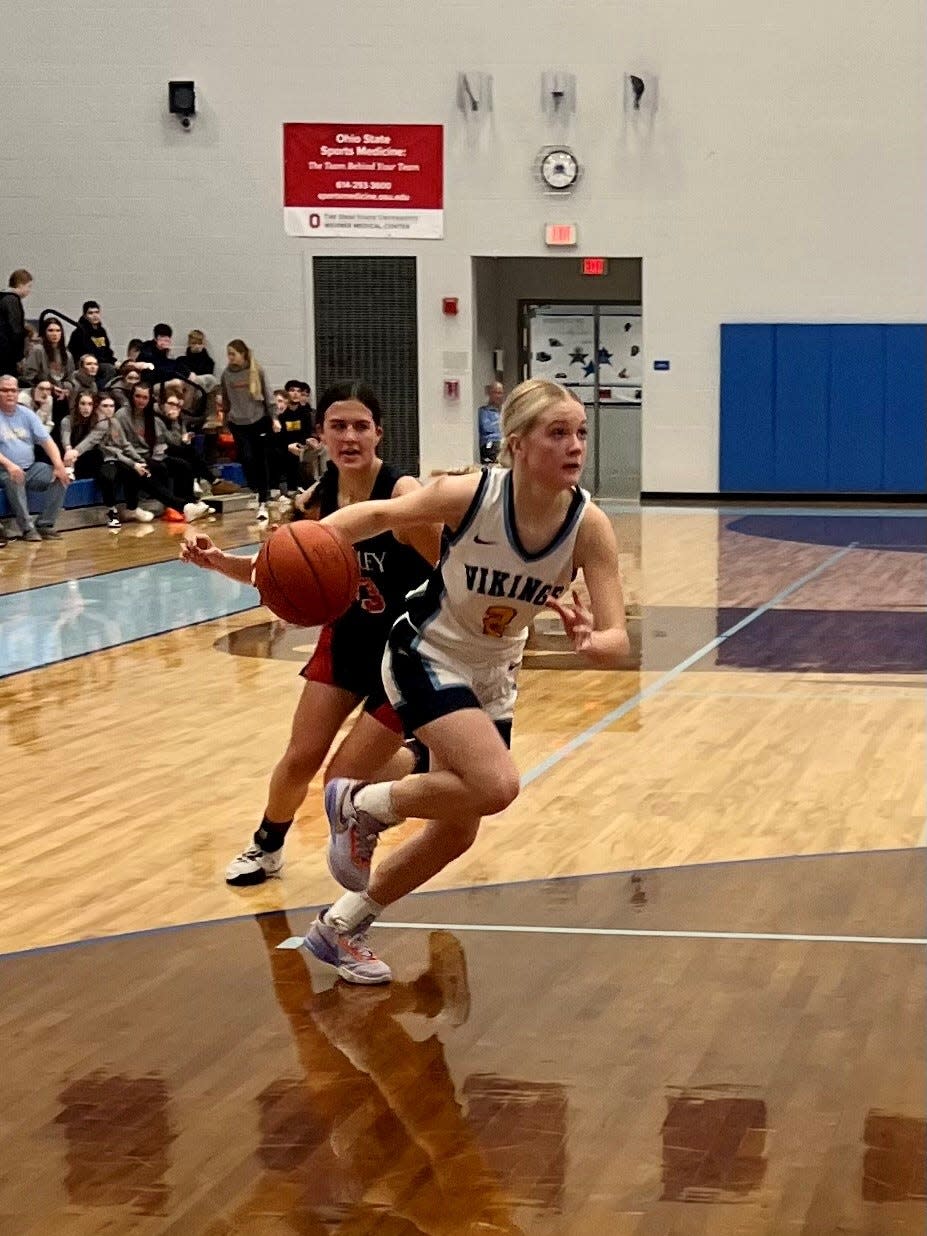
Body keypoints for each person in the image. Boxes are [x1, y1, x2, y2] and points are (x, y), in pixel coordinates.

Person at [303, 378, 631, 983]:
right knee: (498, 785)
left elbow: (618, 638)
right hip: (426, 648)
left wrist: (592, 642)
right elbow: (381, 513)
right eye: (557, 433)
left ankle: (338, 928)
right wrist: (306, 541)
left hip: (493, 671)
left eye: (581, 432)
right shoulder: (473, 493)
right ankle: (360, 804)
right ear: (517, 445)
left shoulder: (591, 527)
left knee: (457, 831)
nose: (575, 445)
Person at [180, 380, 442, 887]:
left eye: (360, 426)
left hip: (403, 651)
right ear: (319, 433)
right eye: (338, 426)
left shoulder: (402, 494)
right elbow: (278, 571)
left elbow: (449, 573)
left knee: (341, 781)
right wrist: (220, 563)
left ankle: (420, 757)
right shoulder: (316, 502)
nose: (349, 436)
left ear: (378, 434)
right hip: (345, 642)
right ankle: (266, 845)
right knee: (300, 756)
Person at [0, 374, 70, 545]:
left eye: (13, 390)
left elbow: (47, 441)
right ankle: (27, 528)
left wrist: (59, 465)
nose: (10, 394)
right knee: (14, 477)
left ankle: (45, 523)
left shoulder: (26, 414)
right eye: (5, 390)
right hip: (4, 469)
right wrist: (10, 465)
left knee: (60, 476)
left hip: (31, 467)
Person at [219, 338, 280, 522]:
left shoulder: (256, 370)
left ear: (242, 354)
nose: (230, 358)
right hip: (237, 422)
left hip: (258, 420)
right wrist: (224, 421)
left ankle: (263, 496)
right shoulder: (226, 375)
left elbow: (268, 395)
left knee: (260, 458)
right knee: (246, 457)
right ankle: (254, 489)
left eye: (233, 354)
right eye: (228, 354)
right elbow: (226, 399)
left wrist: (274, 418)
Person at [61, 391, 122, 527]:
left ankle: (112, 511)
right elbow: (66, 440)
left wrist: (74, 453)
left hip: (89, 457)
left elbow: (90, 441)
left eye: (89, 404)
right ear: (76, 405)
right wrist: (69, 452)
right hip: (67, 458)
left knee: (104, 471)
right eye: (82, 404)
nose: (86, 407)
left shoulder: (100, 422)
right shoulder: (67, 420)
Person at [22, 317, 75, 440]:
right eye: (50, 330)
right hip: (42, 392)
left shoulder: (67, 354)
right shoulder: (38, 350)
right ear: (45, 333)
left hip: (61, 394)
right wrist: (50, 387)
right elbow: (29, 376)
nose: (55, 334)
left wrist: (66, 388)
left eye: (58, 330)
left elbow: (70, 378)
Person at [66, 301, 118, 383]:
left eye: (97, 312)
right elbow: (83, 354)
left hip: (101, 362)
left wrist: (113, 361)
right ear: (85, 315)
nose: (94, 315)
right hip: (85, 364)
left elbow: (107, 350)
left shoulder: (101, 331)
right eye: (90, 313)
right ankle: (100, 391)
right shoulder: (79, 332)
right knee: (109, 369)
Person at [0, 269, 33, 379]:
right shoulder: (12, 300)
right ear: (20, 284)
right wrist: (20, 356)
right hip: (7, 354)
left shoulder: (3, 298)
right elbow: (16, 330)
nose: (29, 290)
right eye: (28, 286)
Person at [477, 379, 505, 464]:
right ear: (489, 393)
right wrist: (501, 423)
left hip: (503, 443)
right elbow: (487, 428)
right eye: (496, 392)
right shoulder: (484, 411)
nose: (498, 396)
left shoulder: (504, 412)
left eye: (500, 393)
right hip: (490, 444)